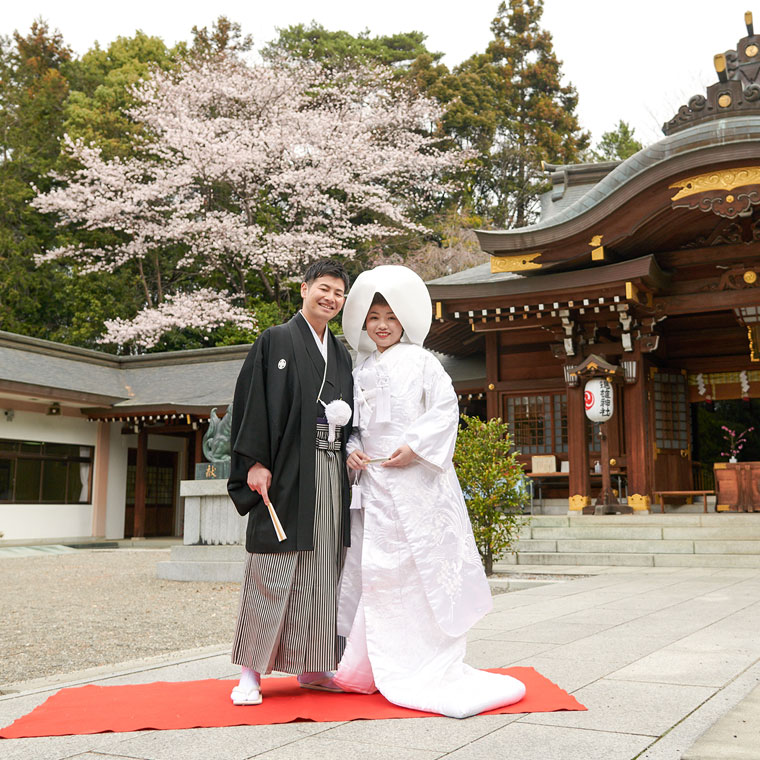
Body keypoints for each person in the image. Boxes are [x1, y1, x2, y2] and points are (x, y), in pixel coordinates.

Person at [334, 265, 526, 719]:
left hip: (417, 479)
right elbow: (354, 427)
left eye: (391, 316)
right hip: (374, 486)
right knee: (374, 573)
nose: (382, 325)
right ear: (363, 322)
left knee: (419, 573)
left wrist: (415, 446)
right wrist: (354, 451)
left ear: (404, 321)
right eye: (374, 316)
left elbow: (445, 410)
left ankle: (419, 660)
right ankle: (367, 666)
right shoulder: (358, 369)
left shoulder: (423, 362)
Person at [226, 259, 354, 705]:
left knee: (322, 568)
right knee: (273, 565)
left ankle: (314, 666)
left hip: (329, 468)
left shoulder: (339, 353)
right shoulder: (275, 340)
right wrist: (254, 462)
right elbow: (251, 403)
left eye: (339, 293)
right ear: (304, 289)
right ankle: (250, 673)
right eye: (324, 288)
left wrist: (350, 447)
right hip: (285, 470)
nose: (331, 298)